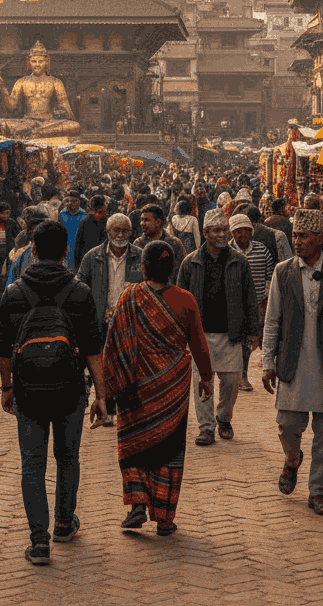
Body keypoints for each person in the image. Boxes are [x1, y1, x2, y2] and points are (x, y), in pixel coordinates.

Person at [0, 220, 108, 566]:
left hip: (28, 390)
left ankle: (39, 541)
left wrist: (6, 388)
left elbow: (2, 347)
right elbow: (93, 349)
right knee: (68, 457)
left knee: (32, 463)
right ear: (66, 252)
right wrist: (102, 396)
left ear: (32, 249)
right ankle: (63, 522)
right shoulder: (80, 292)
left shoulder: (14, 292)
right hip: (70, 388)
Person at [103, 242, 213, 537]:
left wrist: (106, 389)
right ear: (172, 268)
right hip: (172, 387)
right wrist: (206, 377)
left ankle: (137, 504)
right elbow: (198, 344)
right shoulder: (186, 300)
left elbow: (114, 343)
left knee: (135, 442)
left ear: (143, 267)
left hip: (135, 384)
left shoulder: (128, 297)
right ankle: (164, 517)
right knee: (169, 447)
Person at [262, 208, 323, 516]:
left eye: (304, 236)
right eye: (296, 236)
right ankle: (292, 460)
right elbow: (271, 321)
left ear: (320, 238)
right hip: (292, 363)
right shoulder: (283, 272)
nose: (298, 241)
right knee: (287, 426)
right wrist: (268, 360)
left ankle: (318, 491)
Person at [175, 208, 259, 446]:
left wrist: (253, 330)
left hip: (231, 333)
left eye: (224, 230)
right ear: (205, 232)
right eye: (216, 230)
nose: (222, 234)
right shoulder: (190, 262)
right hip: (199, 335)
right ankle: (206, 427)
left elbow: (249, 297)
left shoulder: (239, 261)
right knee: (203, 383)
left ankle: (224, 418)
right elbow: (180, 300)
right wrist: (181, 334)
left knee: (231, 382)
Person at [76, 213, 144, 425]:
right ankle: (108, 409)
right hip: (99, 322)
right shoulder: (92, 257)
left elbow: (149, 287)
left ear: (131, 233)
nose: (121, 234)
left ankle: (125, 410)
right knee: (103, 366)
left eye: (125, 230)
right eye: (116, 230)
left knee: (126, 366)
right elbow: (80, 288)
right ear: (108, 232)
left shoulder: (140, 257)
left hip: (129, 322)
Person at [228, 213, 270, 393]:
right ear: (232, 233)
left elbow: (269, 274)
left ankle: (243, 374)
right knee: (238, 341)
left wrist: (265, 297)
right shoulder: (226, 251)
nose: (243, 235)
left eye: (246, 231)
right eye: (238, 232)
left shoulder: (262, 250)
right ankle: (240, 376)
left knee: (252, 339)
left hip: (258, 303)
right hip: (234, 304)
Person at [134, 203, 186, 281]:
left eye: (147, 220)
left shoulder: (175, 243)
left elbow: (182, 272)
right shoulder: (138, 244)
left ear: (158, 222)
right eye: (141, 219)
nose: (142, 224)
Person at [73, 194, 108, 267]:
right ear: (101, 207)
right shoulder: (86, 222)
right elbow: (78, 246)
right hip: (88, 264)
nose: (106, 206)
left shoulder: (104, 221)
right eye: (105, 204)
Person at [59, 190, 87, 269]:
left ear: (79, 202)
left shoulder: (84, 215)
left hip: (79, 251)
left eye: (75, 201)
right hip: (65, 251)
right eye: (71, 200)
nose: (73, 203)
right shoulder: (62, 214)